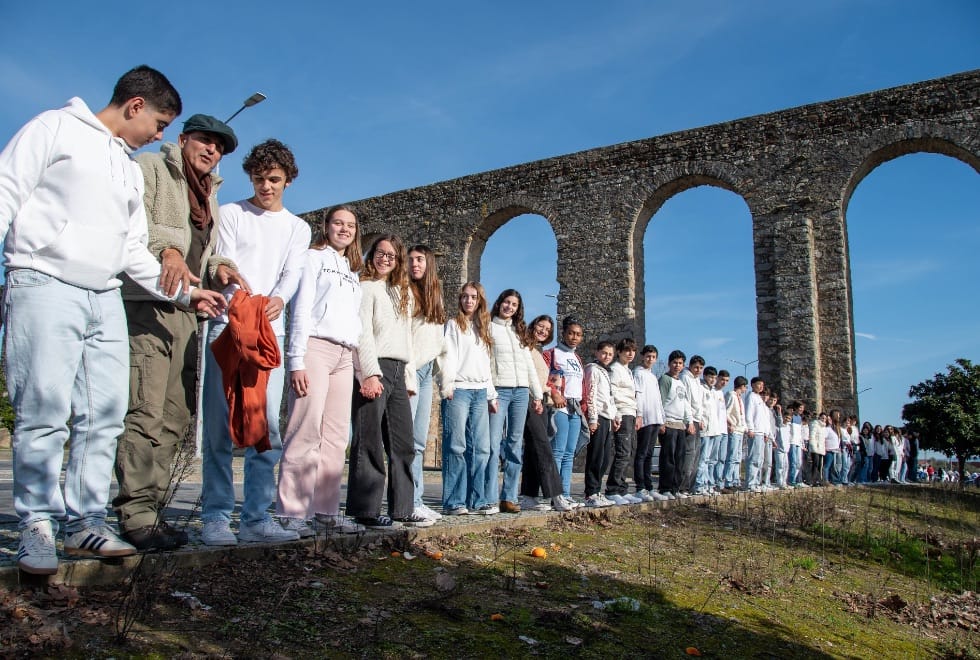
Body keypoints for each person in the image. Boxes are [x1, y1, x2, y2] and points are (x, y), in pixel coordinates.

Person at [0, 65, 226, 574]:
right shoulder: (54, 128)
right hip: (44, 279)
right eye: (162, 123)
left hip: (104, 291)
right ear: (136, 106)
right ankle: (36, 524)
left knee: (104, 414)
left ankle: (84, 523)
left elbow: (130, 248)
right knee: (45, 410)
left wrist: (190, 295)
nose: (160, 135)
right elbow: (5, 191)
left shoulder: (124, 165)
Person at [113, 113, 245, 552]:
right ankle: (134, 513)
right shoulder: (150, 168)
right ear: (183, 139)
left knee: (175, 414)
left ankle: (152, 510)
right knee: (145, 409)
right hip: (149, 303)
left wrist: (219, 267)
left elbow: (202, 253)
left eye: (219, 147)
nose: (212, 151)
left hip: (189, 310)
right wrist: (166, 249)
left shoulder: (210, 197)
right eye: (205, 141)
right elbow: (135, 227)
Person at [200, 139, 311, 545]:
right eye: (260, 179)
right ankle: (215, 516)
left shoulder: (298, 228)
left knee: (265, 428)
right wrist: (240, 306)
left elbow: (292, 271)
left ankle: (255, 518)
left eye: (274, 180)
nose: (266, 187)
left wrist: (279, 298)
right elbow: (225, 264)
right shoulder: (231, 214)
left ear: (288, 180)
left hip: (268, 332)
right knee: (218, 425)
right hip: (228, 326)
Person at [276, 204, 364, 537]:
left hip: (344, 354)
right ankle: (292, 512)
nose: (344, 229)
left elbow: (354, 321)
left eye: (351, 226)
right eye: (338, 223)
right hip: (315, 346)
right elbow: (300, 308)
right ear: (325, 226)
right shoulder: (312, 258)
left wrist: (358, 366)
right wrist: (295, 359)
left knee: (337, 435)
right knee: (305, 429)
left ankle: (326, 511)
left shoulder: (351, 270)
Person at [347, 235, 430, 528]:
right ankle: (366, 509)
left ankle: (403, 508)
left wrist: (409, 379)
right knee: (368, 440)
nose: (385, 259)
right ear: (372, 256)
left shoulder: (402, 293)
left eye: (391, 256)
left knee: (403, 443)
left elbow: (406, 338)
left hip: (398, 368)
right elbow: (363, 333)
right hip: (376, 365)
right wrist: (369, 372)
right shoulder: (366, 287)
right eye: (380, 253)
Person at [440, 282, 498, 515]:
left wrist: (492, 395)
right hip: (459, 390)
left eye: (473, 297)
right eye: (465, 297)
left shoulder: (485, 328)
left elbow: (487, 364)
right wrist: (447, 385)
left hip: (481, 392)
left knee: (482, 448)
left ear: (480, 300)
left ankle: (478, 500)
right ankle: (454, 502)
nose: (469, 301)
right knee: (456, 446)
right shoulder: (453, 325)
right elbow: (448, 357)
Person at [487, 289, 543, 513]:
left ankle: (508, 497)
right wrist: (491, 392)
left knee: (514, 445)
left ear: (518, 309)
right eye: (507, 302)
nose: (509, 307)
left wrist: (537, 394)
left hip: (521, 392)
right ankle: (489, 497)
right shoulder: (488, 327)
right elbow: (486, 362)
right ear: (500, 303)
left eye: (514, 304)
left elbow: (529, 365)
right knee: (492, 445)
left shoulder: (520, 332)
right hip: (499, 390)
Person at [519, 315, 577, 512]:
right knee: (543, 447)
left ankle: (528, 496)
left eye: (547, 329)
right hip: (529, 399)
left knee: (533, 450)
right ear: (533, 325)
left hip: (541, 401)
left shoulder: (537, 350)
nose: (543, 330)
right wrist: (550, 390)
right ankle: (556, 494)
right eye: (540, 326)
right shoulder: (524, 347)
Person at [407, 245, 447, 522]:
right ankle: (407, 502)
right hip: (409, 369)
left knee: (419, 442)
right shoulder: (403, 291)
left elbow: (437, 341)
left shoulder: (435, 296)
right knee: (408, 441)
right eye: (409, 259)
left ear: (429, 263)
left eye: (420, 259)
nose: (414, 264)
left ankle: (416, 500)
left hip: (426, 374)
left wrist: (443, 379)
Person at [544, 318, 587, 503]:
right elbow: (543, 377)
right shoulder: (552, 354)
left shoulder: (578, 359)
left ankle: (566, 494)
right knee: (558, 451)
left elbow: (582, 385)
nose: (574, 337)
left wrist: (584, 408)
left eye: (578, 334)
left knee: (570, 453)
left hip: (575, 409)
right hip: (559, 407)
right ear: (563, 333)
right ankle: (555, 493)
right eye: (571, 333)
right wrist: (554, 393)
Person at [606, 339, 643, 504]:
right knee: (622, 452)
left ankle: (622, 488)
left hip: (631, 413)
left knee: (629, 452)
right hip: (622, 413)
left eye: (633, 351)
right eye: (627, 350)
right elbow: (612, 393)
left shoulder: (628, 371)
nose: (630, 354)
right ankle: (612, 489)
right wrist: (617, 415)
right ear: (619, 352)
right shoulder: (615, 369)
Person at [583, 341, 618, 508]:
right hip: (597, 417)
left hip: (607, 417)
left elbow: (609, 398)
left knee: (604, 458)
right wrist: (592, 418)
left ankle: (597, 491)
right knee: (595, 456)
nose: (607, 356)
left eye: (610, 354)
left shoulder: (606, 372)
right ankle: (590, 493)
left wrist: (615, 416)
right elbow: (591, 394)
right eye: (604, 353)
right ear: (597, 353)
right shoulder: (592, 369)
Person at [633, 345, 667, 501]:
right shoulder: (638, 373)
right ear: (642, 356)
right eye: (648, 356)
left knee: (648, 453)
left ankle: (649, 486)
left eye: (653, 357)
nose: (650, 359)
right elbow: (638, 395)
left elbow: (658, 400)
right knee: (641, 453)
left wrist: (662, 420)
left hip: (655, 419)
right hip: (645, 419)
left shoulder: (652, 376)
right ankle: (640, 487)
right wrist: (639, 415)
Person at [659, 350, 694, 499]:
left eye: (680, 363)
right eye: (674, 363)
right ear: (669, 364)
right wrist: (661, 422)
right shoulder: (665, 379)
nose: (677, 366)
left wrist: (690, 422)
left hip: (680, 425)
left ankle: (676, 488)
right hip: (669, 422)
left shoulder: (681, 382)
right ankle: (665, 488)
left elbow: (686, 404)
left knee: (680, 458)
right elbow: (660, 401)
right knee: (668, 458)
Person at [679, 356, 707, 493]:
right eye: (696, 367)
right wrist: (689, 421)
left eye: (701, 368)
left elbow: (699, 403)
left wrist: (700, 419)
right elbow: (686, 401)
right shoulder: (685, 378)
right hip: (689, 420)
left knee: (696, 454)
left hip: (696, 420)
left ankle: (691, 485)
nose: (698, 370)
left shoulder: (697, 381)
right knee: (689, 454)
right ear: (690, 366)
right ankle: (683, 486)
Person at [693, 366, 723, 495]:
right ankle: (699, 485)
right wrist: (700, 420)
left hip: (715, 429)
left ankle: (707, 484)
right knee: (703, 458)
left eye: (714, 377)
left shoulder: (714, 391)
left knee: (711, 459)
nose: (712, 379)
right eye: (710, 377)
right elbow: (699, 406)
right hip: (705, 428)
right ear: (705, 376)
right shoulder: (701, 388)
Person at [722, 376, 748, 492]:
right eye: (745, 387)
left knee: (738, 456)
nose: (745, 389)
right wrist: (730, 423)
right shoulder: (731, 395)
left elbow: (741, 415)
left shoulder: (740, 399)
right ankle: (727, 480)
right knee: (732, 456)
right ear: (741, 386)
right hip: (734, 429)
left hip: (740, 430)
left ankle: (735, 479)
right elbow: (726, 411)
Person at [743, 377, 768, 492]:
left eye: (762, 385)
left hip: (761, 432)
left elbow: (763, 418)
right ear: (753, 385)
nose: (761, 387)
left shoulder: (760, 399)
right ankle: (750, 483)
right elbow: (748, 414)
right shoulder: (751, 396)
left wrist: (765, 433)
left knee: (760, 459)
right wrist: (750, 429)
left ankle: (757, 482)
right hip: (755, 432)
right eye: (759, 384)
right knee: (754, 458)